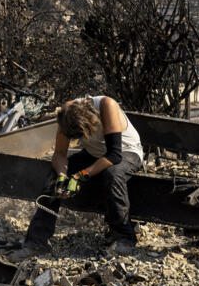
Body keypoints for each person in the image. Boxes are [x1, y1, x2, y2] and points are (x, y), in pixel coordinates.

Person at [19, 95, 143, 256]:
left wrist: (80, 176)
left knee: (113, 174)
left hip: (127, 152)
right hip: (94, 154)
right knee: (53, 178)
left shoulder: (107, 105)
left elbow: (114, 155)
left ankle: (124, 237)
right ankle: (36, 242)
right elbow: (59, 154)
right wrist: (62, 177)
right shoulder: (68, 114)